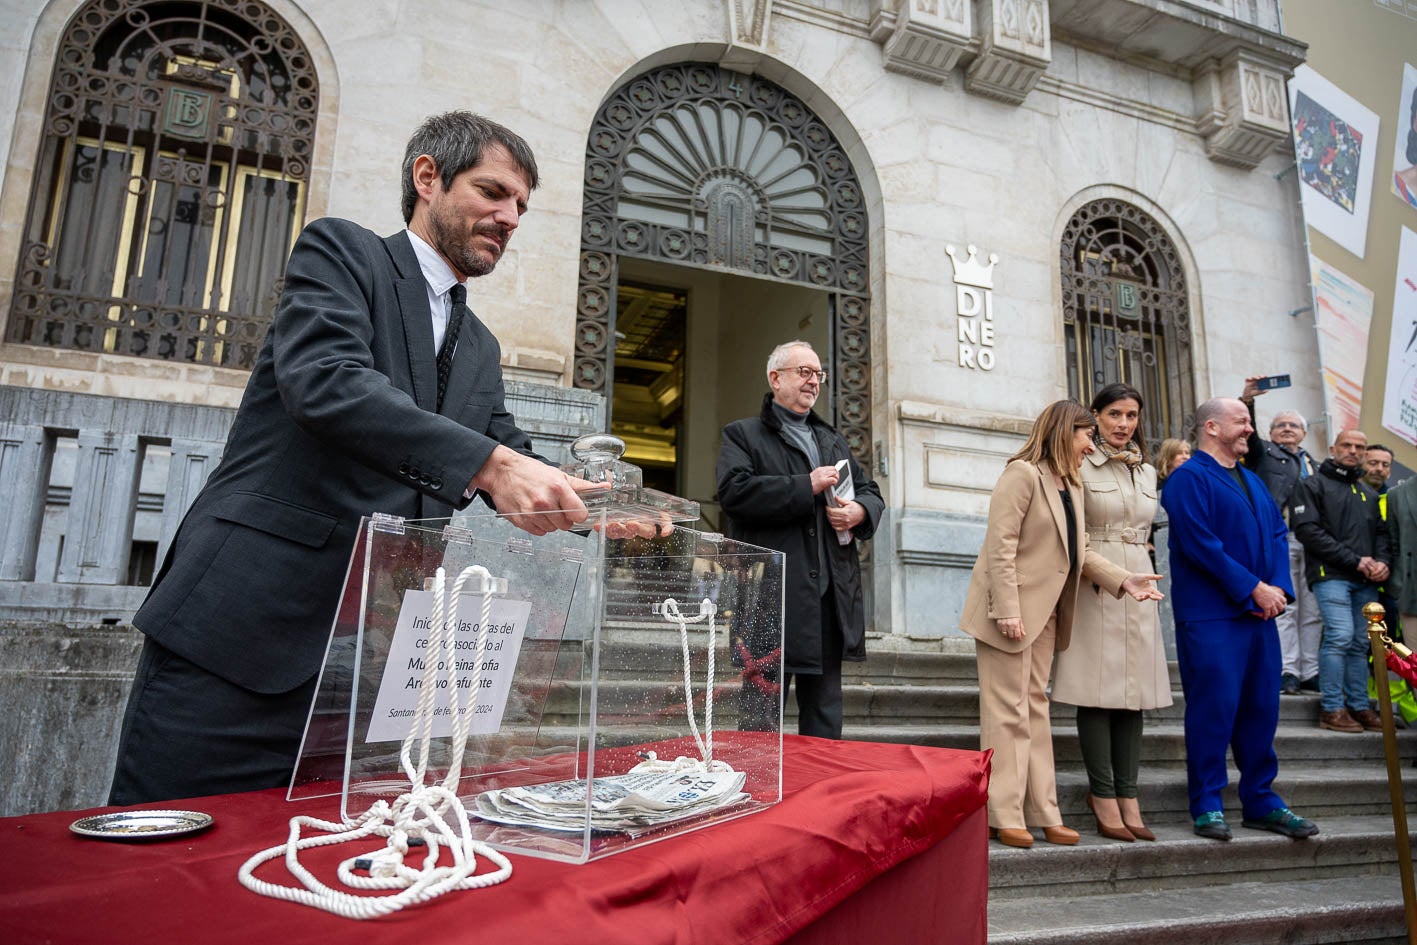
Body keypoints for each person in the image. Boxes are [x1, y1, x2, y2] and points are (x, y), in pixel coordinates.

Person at [108, 112, 611, 805]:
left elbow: (504, 449)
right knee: (166, 857)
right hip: (245, 633)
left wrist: (598, 509)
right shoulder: (342, 253)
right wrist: (495, 464)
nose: (510, 216)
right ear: (427, 177)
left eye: (521, 204)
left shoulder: (484, 344)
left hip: (373, 664)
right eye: (493, 191)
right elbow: (327, 382)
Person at [959, 400, 1163, 849]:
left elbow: (1082, 551)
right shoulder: (1021, 474)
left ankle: (1044, 812)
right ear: (1062, 432)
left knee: (1034, 710)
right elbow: (1000, 547)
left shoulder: (1070, 483)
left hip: (1048, 614)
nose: (1092, 443)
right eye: (1086, 434)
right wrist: (1007, 609)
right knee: (1007, 713)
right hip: (1008, 614)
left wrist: (1124, 579)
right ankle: (1003, 812)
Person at [1162, 397, 1319, 841]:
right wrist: (1253, 587)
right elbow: (1201, 545)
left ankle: (1261, 800)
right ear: (1211, 427)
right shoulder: (1187, 479)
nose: (1251, 428)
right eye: (1242, 421)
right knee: (1214, 710)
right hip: (1212, 618)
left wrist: (1278, 589)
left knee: (1261, 710)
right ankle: (1208, 803)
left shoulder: (1252, 480)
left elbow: (1275, 534)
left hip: (1259, 616)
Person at [716, 341, 884, 740]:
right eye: (804, 372)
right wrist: (803, 485)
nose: (813, 381)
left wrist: (860, 511)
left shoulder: (832, 439)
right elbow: (734, 493)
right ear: (776, 379)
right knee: (760, 714)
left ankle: (820, 796)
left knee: (825, 715)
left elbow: (869, 490)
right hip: (771, 598)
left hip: (828, 599)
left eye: (818, 374)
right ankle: (755, 792)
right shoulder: (743, 435)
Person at [1052, 384, 1173, 843]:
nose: (1124, 424)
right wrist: (1112, 577)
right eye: (1115, 415)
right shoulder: (1079, 463)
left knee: (1134, 691)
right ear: (1096, 416)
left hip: (1142, 578)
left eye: (1132, 416)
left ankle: (1129, 794)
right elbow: (1074, 535)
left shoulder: (1145, 470)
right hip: (1095, 579)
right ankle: (1102, 793)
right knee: (1097, 689)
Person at [1292, 428, 1391, 733]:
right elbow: (1308, 532)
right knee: (1340, 636)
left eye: (1359, 447)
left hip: (1365, 580)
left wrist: (1383, 563)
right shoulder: (1311, 485)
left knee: (1362, 642)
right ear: (1333, 449)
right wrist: (1357, 561)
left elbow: (1381, 535)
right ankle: (1332, 708)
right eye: (1347, 445)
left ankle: (1359, 707)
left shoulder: (1368, 493)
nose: (1353, 450)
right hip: (1331, 575)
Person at [1239, 378, 1322, 696]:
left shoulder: (1315, 464)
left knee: (1311, 610)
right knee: (1284, 605)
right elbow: (1251, 438)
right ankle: (1288, 669)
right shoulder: (1264, 455)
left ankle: (1310, 671)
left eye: (1293, 425)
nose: (1287, 429)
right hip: (1280, 538)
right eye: (1280, 425)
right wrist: (1248, 400)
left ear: (1303, 432)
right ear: (1271, 433)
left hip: (1313, 544)